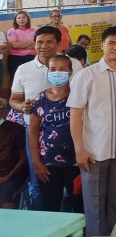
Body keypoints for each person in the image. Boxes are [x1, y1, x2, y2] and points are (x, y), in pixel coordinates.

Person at [68, 26, 116, 236]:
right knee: (95, 205)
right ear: (102, 46)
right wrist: (79, 149)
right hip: (94, 152)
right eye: (112, 43)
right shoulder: (86, 76)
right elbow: (76, 115)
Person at [11, 25, 80, 207]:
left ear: (59, 43)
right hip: (37, 136)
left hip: (73, 137)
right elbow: (13, 100)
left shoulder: (75, 65)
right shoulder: (23, 69)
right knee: (39, 182)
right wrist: (22, 106)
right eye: (40, 42)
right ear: (34, 44)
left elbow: (84, 96)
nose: (44, 46)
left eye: (50, 42)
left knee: (76, 190)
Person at [27, 54, 82, 213]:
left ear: (70, 72)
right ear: (48, 72)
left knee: (80, 206)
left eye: (62, 69)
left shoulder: (78, 96)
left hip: (75, 164)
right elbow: (33, 133)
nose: (57, 73)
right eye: (53, 69)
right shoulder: (39, 99)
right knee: (50, 208)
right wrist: (37, 163)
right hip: (48, 166)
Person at [0, 98, 27, 209]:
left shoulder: (16, 129)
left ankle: (8, 225)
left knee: (5, 193)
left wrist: (7, 177)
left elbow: (24, 158)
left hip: (11, 175)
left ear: (3, 111)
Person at [7, 10, 37, 81]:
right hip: (15, 59)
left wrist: (22, 45)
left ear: (28, 19)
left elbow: (37, 44)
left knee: (30, 79)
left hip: (31, 58)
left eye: (24, 17)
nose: (21, 20)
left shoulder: (34, 30)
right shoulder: (11, 31)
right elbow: (15, 45)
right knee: (16, 80)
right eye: (19, 18)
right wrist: (32, 42)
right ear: (15, 20)